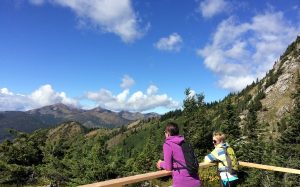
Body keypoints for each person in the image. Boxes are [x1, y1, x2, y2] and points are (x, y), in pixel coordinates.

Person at [156, 122, 201, 187]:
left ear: (168, 133)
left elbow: (168, 167)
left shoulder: (168, 144)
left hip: (182, 183)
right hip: (196, 181)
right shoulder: (184, 142)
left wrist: (160, 163)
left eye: (165, 132)